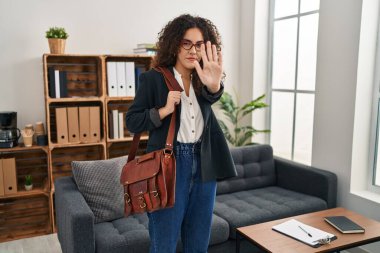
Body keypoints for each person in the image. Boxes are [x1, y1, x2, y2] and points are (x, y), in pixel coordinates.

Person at [126, 14, 237, 253]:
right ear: (175, 44)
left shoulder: (204, 79)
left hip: (204, 165)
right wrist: (164, 110)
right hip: (169, 165)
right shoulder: (153, 79)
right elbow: (132, 121)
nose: (192, 50)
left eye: (199, 45)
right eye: (186, 43)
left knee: (198, 244)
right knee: (164, 244)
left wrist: (215, 85)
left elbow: (212, 95)